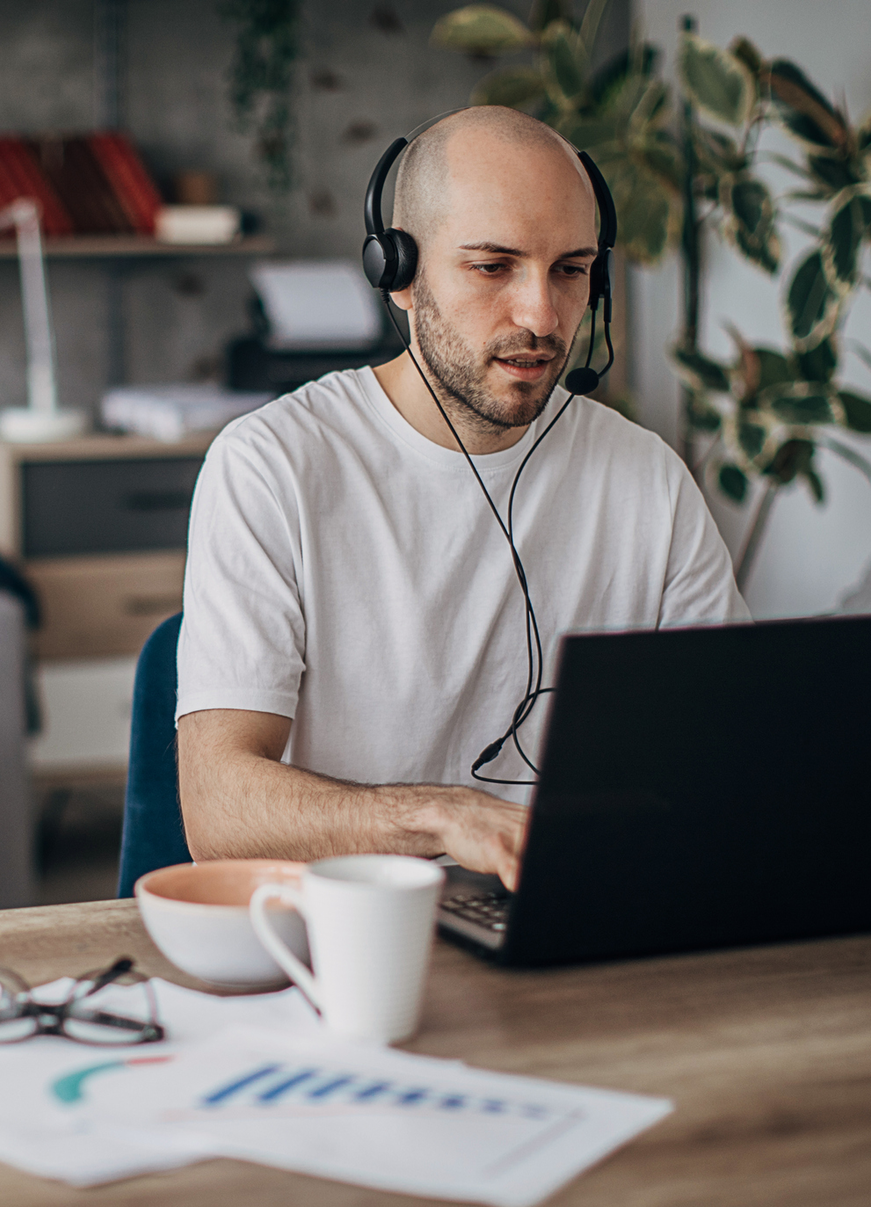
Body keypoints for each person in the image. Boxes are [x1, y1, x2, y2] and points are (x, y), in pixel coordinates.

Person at [175, 107, 746, 890]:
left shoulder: (646, 476)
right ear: (399, 273)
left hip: (576, 908)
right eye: (493, 267)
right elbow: (218, 811)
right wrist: (444, 817)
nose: (541, 315)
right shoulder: (271, 465)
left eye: (571, 270)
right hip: (354, 932)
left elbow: (730, 750)